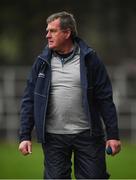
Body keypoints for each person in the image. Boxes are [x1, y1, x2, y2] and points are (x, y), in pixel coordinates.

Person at [19, 11, 121, 179]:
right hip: (53, 137)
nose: (47, 35)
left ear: (67, 33)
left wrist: (113, 135)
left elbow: (105, 98)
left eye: (52, 31)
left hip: (88, 135)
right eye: (47, 31)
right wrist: (24, 136)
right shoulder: (41, 62)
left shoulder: (90, 59)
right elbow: (30, 99)